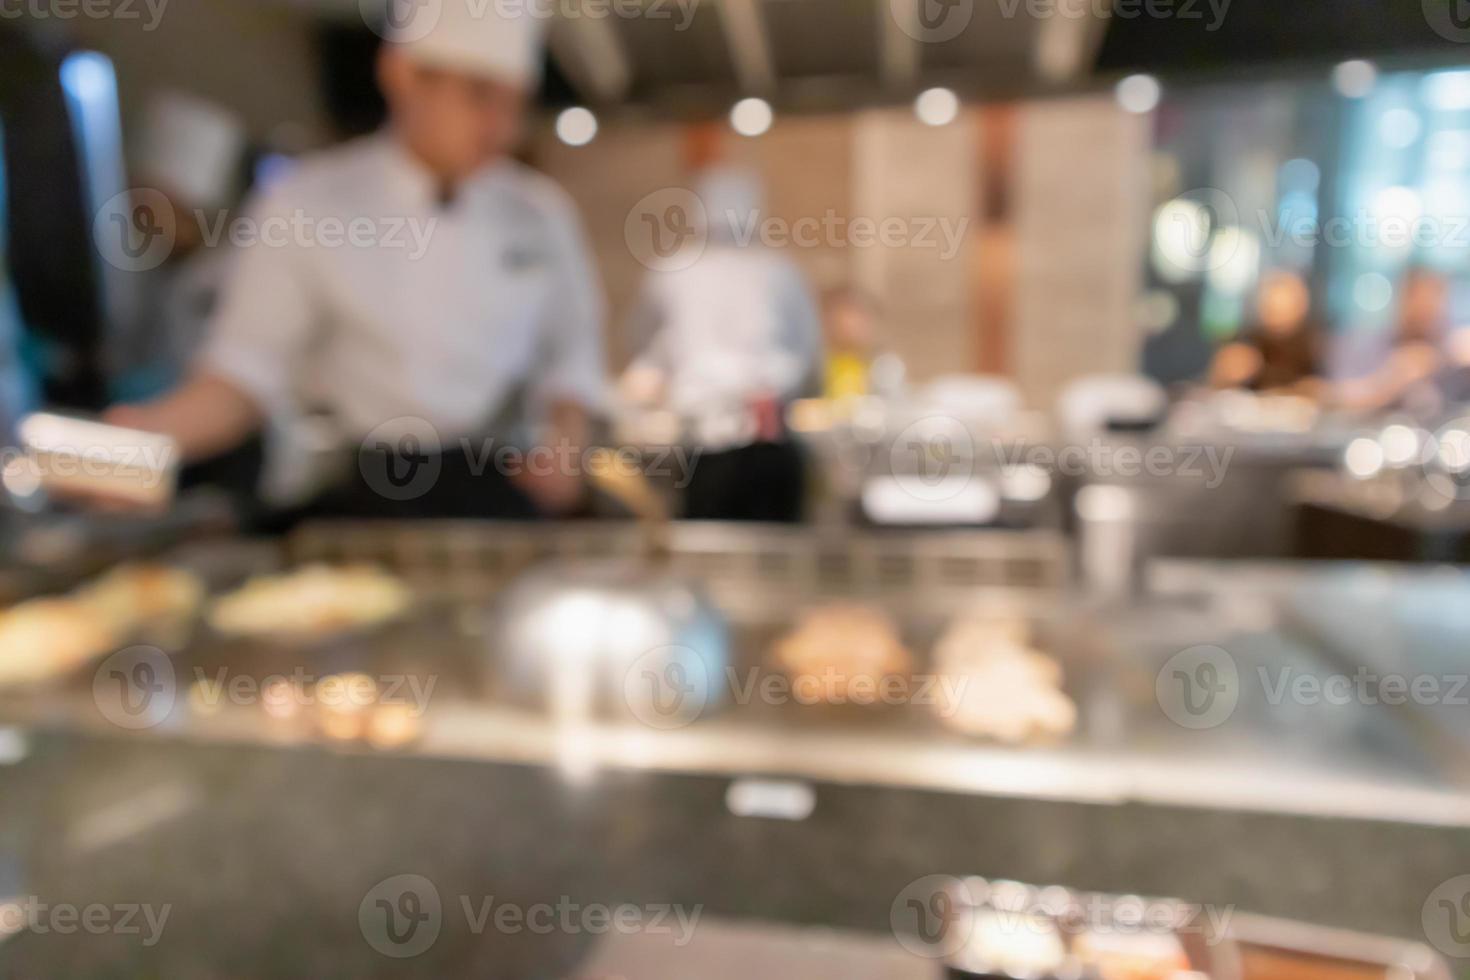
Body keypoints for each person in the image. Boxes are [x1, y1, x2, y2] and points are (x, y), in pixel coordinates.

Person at [104, 3, 606, 520]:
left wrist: (566, 446)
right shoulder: (305, 203)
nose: (499, 128)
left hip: (502, 488)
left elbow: (573, 361)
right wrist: (145, 439)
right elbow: (241, 377)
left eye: (513, 104)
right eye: (479, 95)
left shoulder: (542, 214)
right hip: (365, 493)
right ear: (403, 75)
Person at [618, 166, 821, 522]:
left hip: (709, 445)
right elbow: (808, 354)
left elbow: (643, 344)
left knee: (709, 552)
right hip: (761, 437)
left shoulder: (673, 269)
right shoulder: (780, 270)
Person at [1336, 267, 1451, 412]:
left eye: (1435, 299)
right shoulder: (1367, 343)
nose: (1426, 307)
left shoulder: (1448, 350)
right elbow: (1340, 397)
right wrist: (1394, 377)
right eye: (1419, 298)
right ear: (1402, 298)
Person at [1208, 270, 1323, 396]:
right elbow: (1214, 384)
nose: (1277, 315)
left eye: (1284, 308)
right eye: (1272, 307)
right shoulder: (1247, 341)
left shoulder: (1314, 345)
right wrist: (1224, 374)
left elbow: (1326, 386)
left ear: (1301, 306)